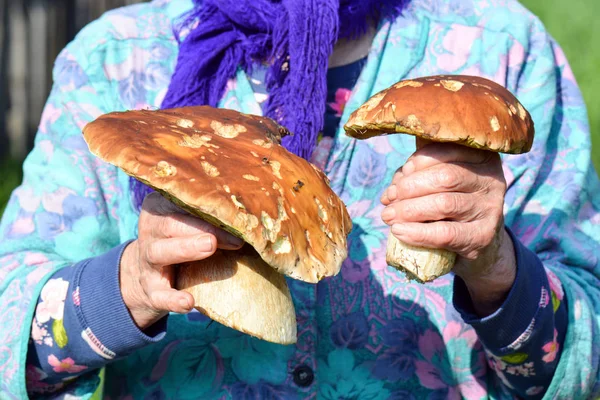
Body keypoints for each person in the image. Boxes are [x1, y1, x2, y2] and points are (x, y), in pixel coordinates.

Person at [0, 0, 598, 398]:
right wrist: (132, 285)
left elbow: (585, 357)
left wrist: (497, 270)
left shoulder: (502, 49)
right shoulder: (116, 58)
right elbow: (10, 326)